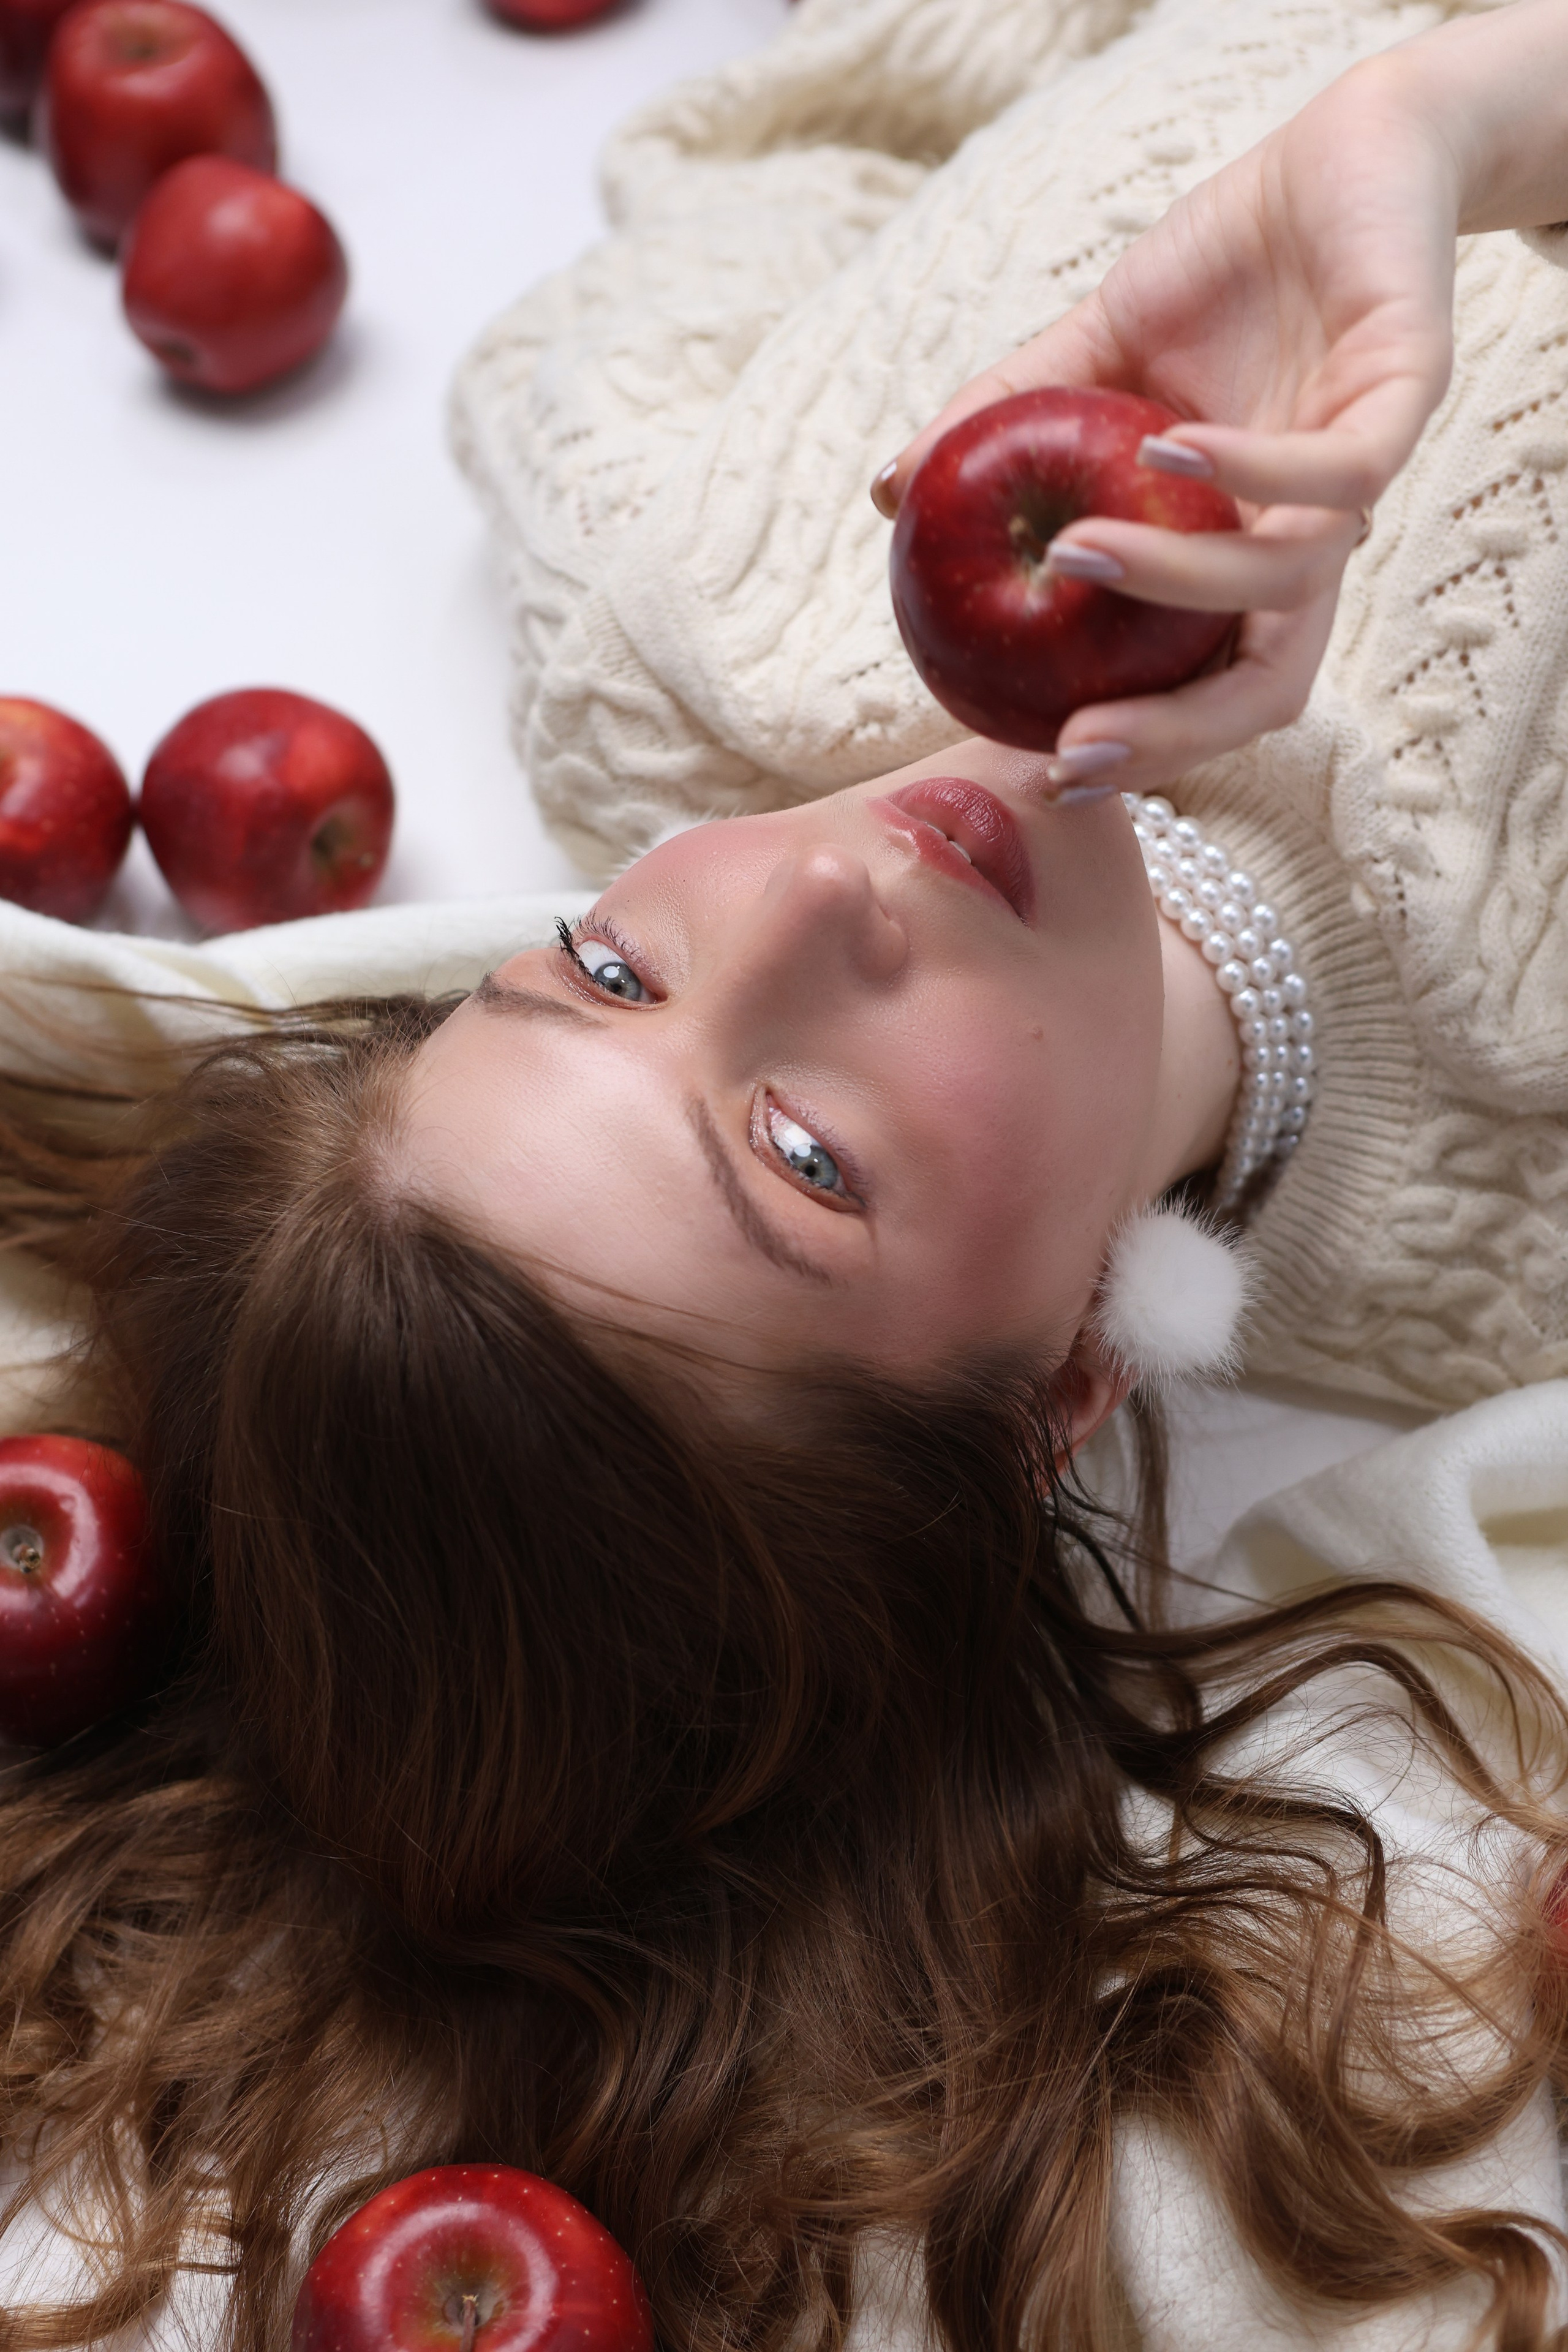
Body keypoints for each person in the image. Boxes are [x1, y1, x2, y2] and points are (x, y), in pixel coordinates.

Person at [5, 0, 1568, 2347]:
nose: (814, 903)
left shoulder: (672, 605)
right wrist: (1452, 118)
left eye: (612, 972)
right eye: (810, 1158)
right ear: (1053, 1393)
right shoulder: (1538, 1203)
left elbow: (784, 134)